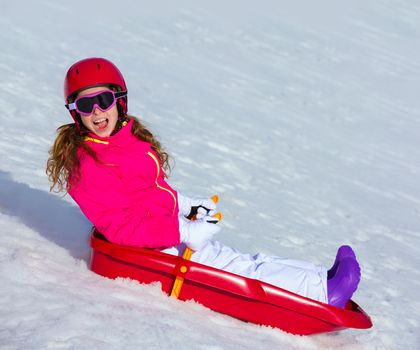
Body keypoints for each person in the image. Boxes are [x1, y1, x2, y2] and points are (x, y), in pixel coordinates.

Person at [46, 57, 361, 308]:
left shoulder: (123, 141)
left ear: (120, 100)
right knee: (236, 272)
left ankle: (321, 279)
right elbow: (120, 226)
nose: (97, 112)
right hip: (148, 249)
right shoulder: (88, 164)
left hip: (162, 232)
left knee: (241, 260)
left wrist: (186, 204)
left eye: (103, 99)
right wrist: (182, 229)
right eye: (86, 105)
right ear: (75, 112)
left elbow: (150, 189)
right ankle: (322, 294)